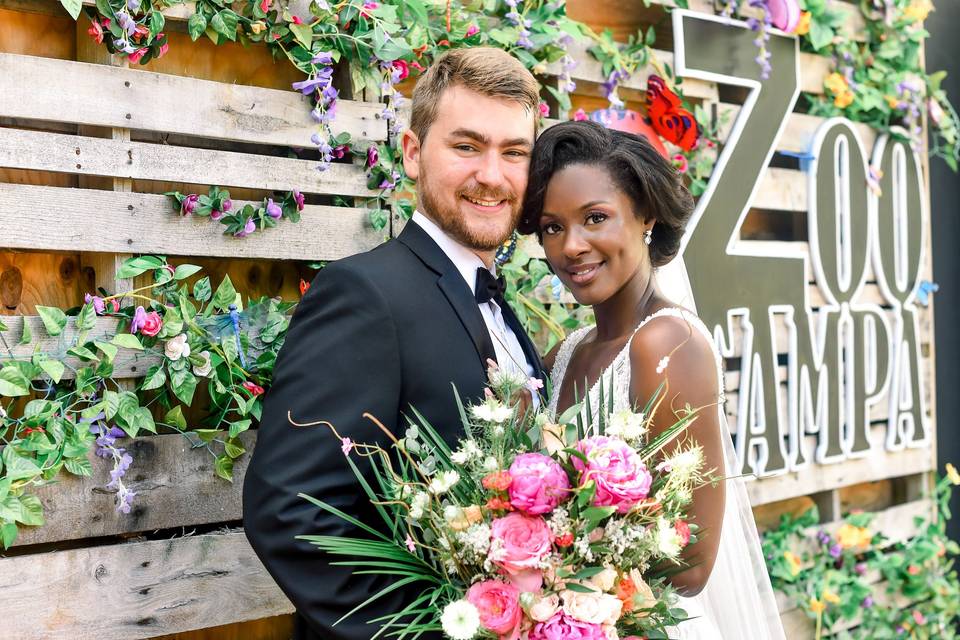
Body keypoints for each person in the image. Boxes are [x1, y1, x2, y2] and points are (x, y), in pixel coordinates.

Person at [242, 47, 545, 640]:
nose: (492, 174)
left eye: (514, 153)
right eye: (466, 146)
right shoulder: (363, 294)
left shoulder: (495, 301)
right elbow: (291, 514)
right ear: (412, 153)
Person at [519, 120, 785, 639]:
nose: (571, 246)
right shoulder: (568, 352)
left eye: (595, 218)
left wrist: (545, 563)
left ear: (645, 216)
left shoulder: (666, 343)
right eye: (552, 227)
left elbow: (692, 561)